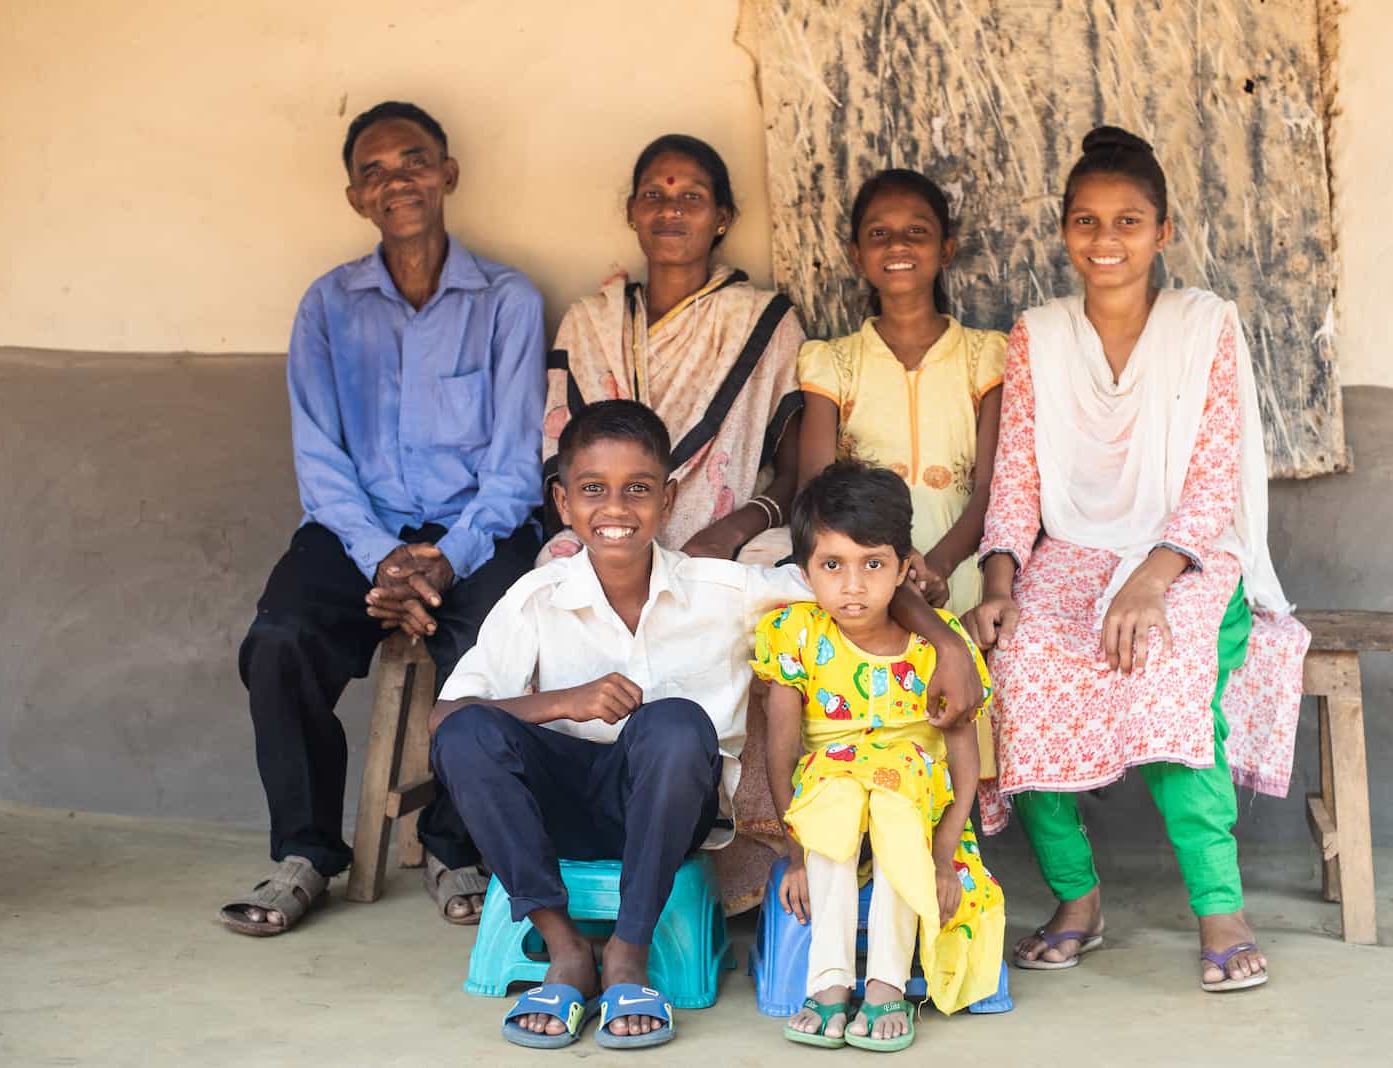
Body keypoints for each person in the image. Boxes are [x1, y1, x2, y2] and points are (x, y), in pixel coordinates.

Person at [429, 401, 985, 1050]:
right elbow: (444, 718)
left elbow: (858, 583)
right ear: (562, 502)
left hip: (670, 807)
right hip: (560, 807)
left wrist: (946, 647)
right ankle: (565, 950)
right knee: (470, 736)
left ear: (667, 499)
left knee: (674, 723)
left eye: (638, 489)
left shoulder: (726, 590)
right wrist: (563, 702)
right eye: (593, 490)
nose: (616, 509)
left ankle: (629, 956)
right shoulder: (536, 599)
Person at [965, 127, 1310, 992]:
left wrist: (1151, 582)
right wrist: (1000, 583)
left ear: (1164, 231)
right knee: (1020, 670)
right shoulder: (1037, 334)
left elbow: (1211, 478)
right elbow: (1016, 471)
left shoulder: (1205, 326)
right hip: (1070, 548)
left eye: (1129, 220)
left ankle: (1220, 909)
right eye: (1086, 221)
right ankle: (1078, 900)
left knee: (1163, 669)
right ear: (1064, 229)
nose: (1106, 240)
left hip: (1189, 554)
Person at [219, 101, 546, 936]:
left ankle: (452, 843)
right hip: (358, 531)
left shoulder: (506, 299)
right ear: (356, 197)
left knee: (501, 644)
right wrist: (382, 561)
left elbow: (515, 466)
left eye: (413, 161)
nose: (396, 180)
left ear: (448, 175)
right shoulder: (328, 305)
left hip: (477, 528)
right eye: (375, 171)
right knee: (279, 642)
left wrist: (446, 558)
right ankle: (306, 854)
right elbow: (320, 464)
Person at [540, 134, 807, 914]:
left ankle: (743, 828)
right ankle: (586, 805)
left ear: (723, 216)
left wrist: (731, 527)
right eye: (654, 194)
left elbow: (792, 476)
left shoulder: (764, 320)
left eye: (691, 195)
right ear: (630, 211)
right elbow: (560, 456)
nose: (671, 210)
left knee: (776, 593)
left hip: (729, 522)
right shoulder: (589, 320)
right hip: (612, 516)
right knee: (550, 573)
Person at [754, 461, 1003, 1053]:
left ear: (903, 567)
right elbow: (782, 753)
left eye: (873, 565)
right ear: (805, 569)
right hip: (827, 802)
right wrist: (795, 854)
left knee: (892, 803)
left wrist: (944, 857)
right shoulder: (794, 634)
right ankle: (831, 982)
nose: (854, 586)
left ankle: (888, 981)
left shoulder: (937, 646)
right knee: (837, 791)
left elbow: (963, 757)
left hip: (913, 802)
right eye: (832, 566)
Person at [796, 169, 1005, 619]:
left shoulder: (987, 356)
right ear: (857, 255)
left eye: (916, 231)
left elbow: (994, 486)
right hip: (865, 579)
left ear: (946, 249)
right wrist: (893, 563)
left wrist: (940, 566)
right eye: (879, 233)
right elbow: (816, 489)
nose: (897, 244)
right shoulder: (831, 363)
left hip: (965, 571)